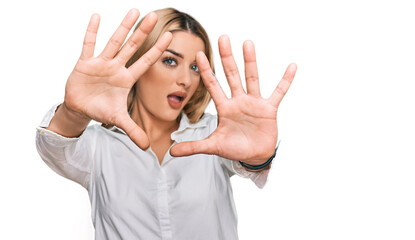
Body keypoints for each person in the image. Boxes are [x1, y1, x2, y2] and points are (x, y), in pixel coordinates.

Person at [36, 7, 297, 240]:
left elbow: (250, 164)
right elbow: (54, 147)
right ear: (138, 63)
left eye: (195, 67)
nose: (186, 80)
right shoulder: (97, 145)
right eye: (170, 61)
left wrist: (258, 158)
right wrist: (74, 111)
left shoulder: (214, 134)